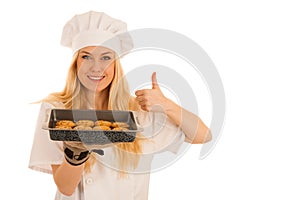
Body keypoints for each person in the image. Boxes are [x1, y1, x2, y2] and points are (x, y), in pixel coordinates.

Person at [29, 11, 211, 200]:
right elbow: (66, 188)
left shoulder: (139, 111)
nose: (96, 67)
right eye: (86, 57)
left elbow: (204, 135)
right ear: (75, 63)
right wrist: (76, 153)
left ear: (116, 65)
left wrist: (166, 105)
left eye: (106, 57)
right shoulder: (56, 110)